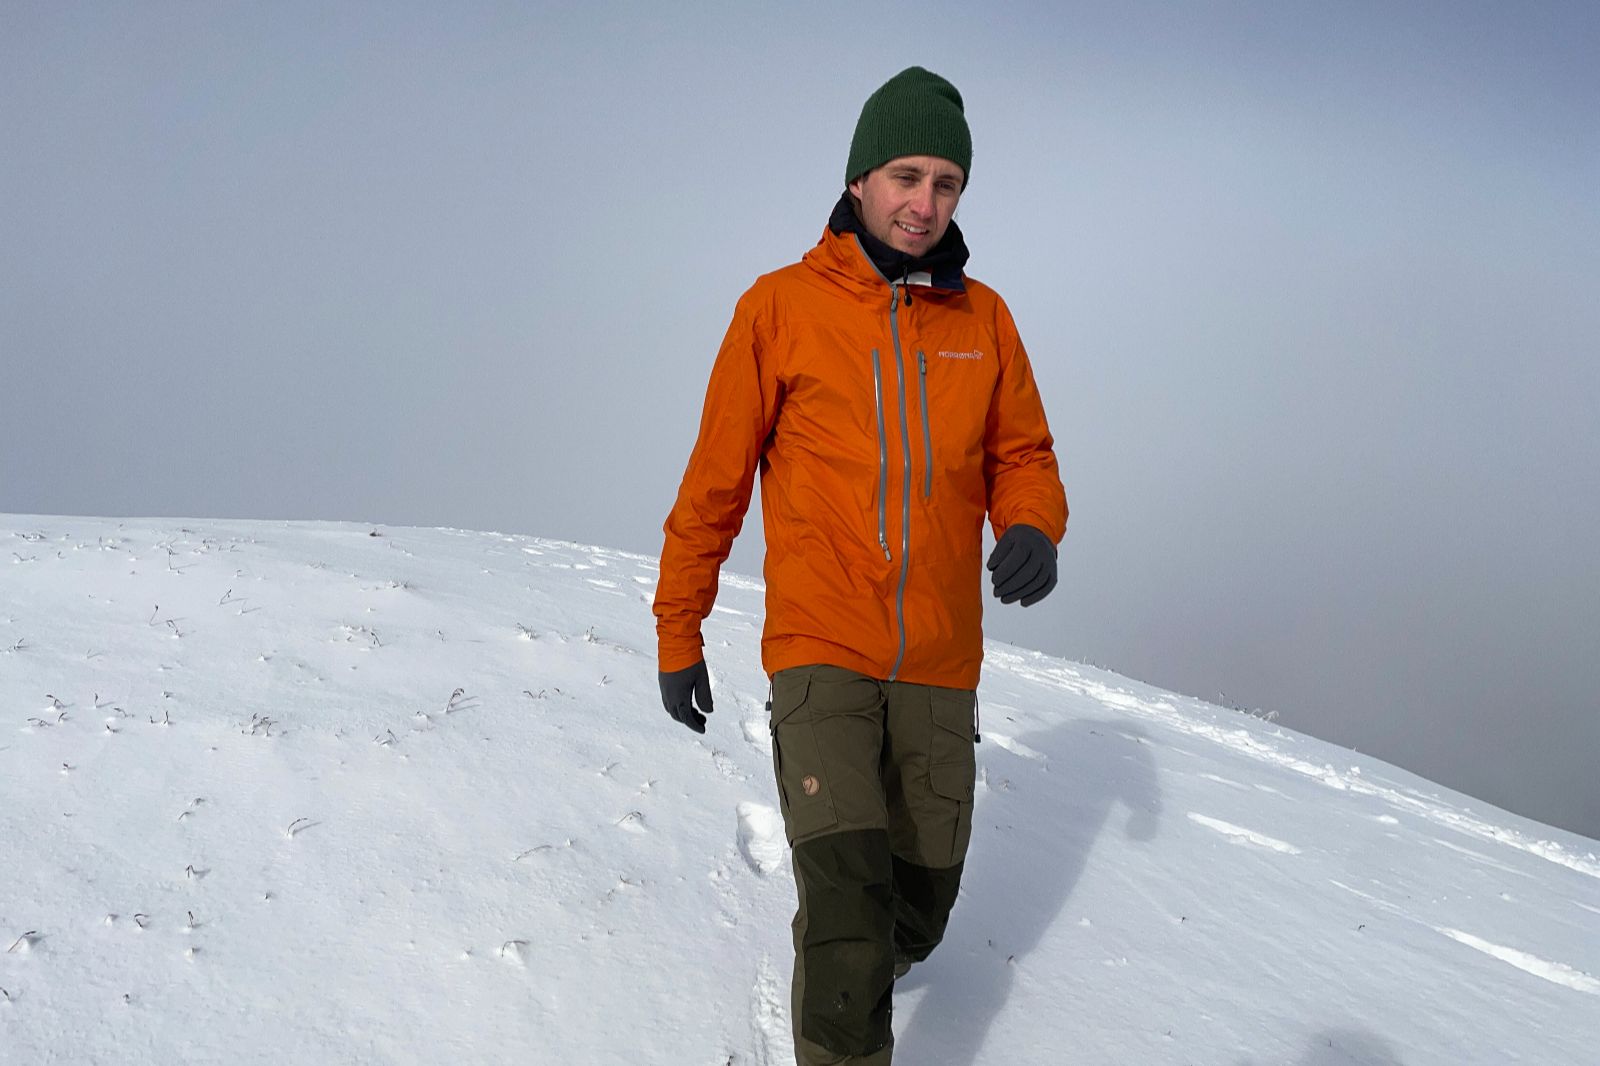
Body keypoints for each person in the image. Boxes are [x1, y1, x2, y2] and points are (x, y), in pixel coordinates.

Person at [653, 66, 1067, 1066]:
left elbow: (1023, 455)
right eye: (906, 177)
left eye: (946, 183)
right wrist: (678, 629)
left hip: (938, 659)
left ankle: (864, 964)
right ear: (859, 180)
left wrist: (1032, 525)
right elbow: (715, 482)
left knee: (917, 904)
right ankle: (843, 1001)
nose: (925, 203)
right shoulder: (780, 308)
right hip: (821, 649)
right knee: (846, 911)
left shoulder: (983, 319)